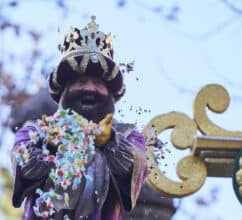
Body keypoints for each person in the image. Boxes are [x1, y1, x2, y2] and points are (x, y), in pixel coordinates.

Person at [11, 16, 148, 220]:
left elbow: (139, 166)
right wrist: (48, 146)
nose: (89, 88)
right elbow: (22, 163)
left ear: (110, 93)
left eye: (98, 83)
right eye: (81, 81)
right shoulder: (35, 131)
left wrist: (111, 142)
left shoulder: (128, 135)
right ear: (66, 90)